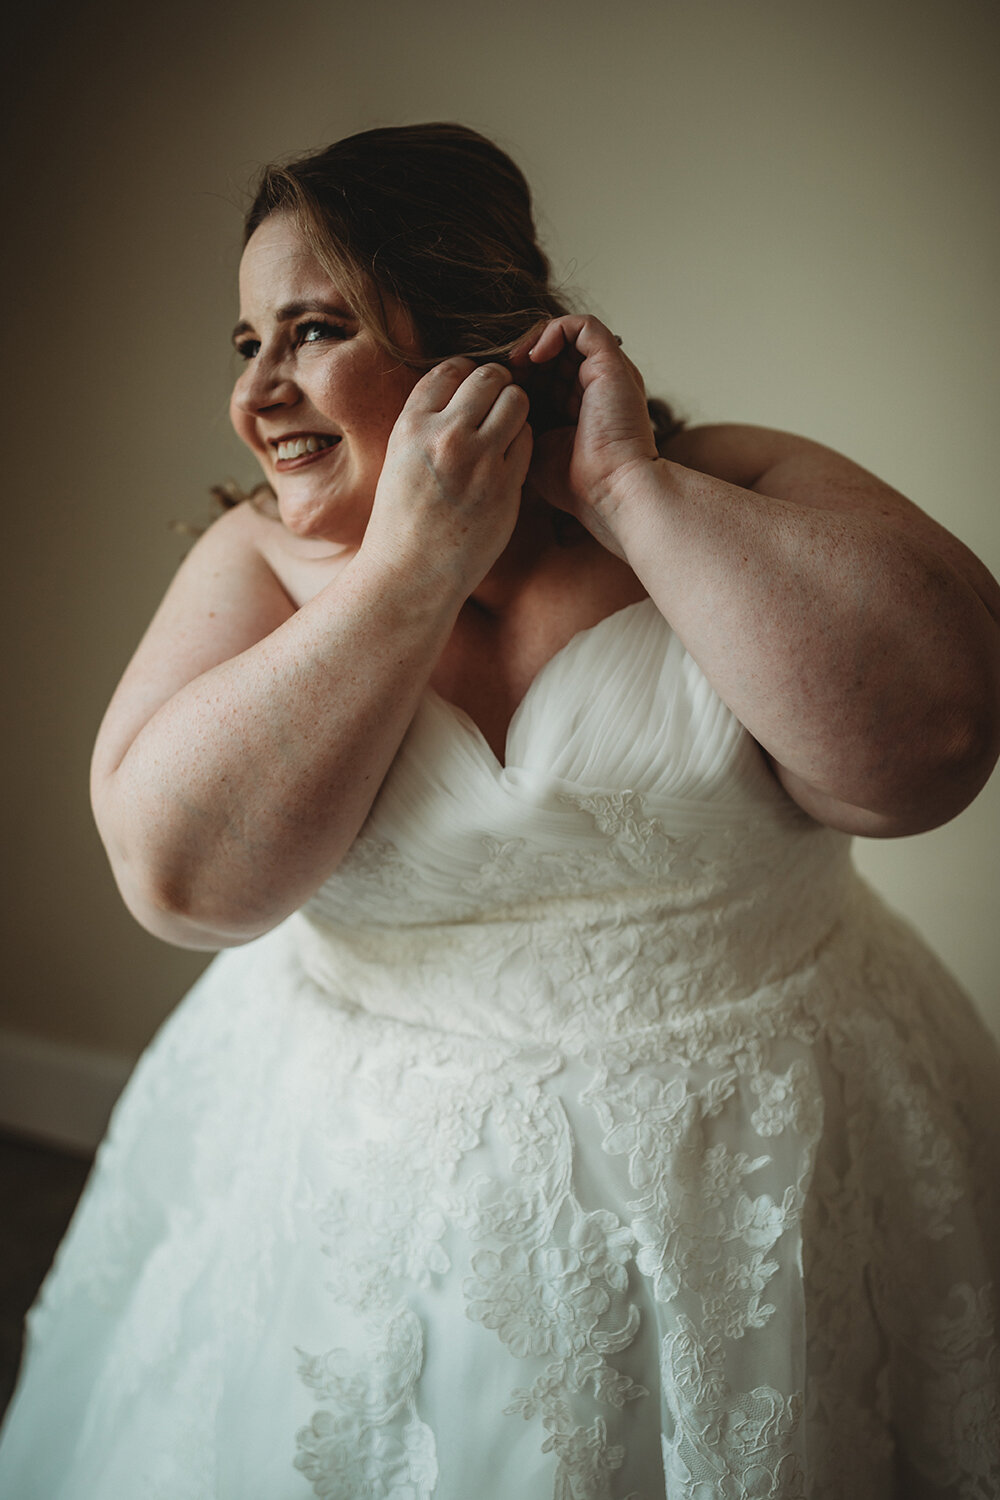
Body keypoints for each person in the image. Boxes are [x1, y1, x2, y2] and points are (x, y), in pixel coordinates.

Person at [1, 122, 998, 1500]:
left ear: (472, 328)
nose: (260, 395)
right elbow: (182, 883)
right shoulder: (262, 559)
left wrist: (627, 489)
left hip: (769, 1159)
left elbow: (929, 748)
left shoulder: (735, 483)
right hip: (370, 1180)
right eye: (247, 346)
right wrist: (409, 569)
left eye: (312, 329)